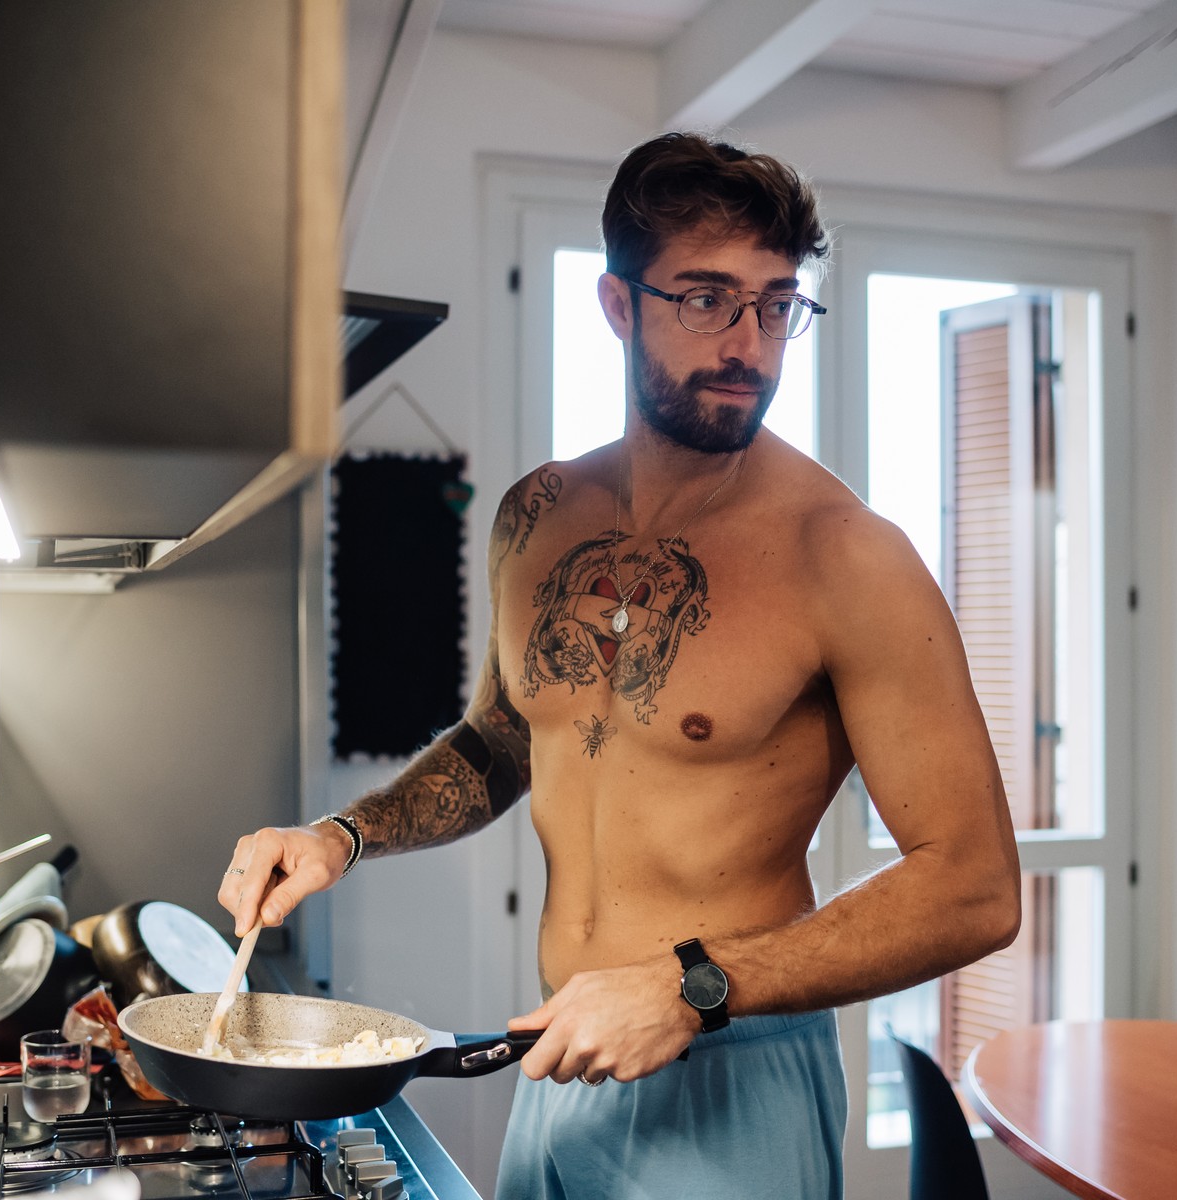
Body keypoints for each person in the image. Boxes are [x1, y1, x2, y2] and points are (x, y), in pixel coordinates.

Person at [218, 130, 1021, 1199]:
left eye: (777, 304)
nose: (750, 344)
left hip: (729, 1072)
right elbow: (502, 740)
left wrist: (692, 987)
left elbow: (975, 887)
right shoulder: (539, 515)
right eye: (707, 299)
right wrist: (340, 837)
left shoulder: (844, 555)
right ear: (618, 305)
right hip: (560, 1055)